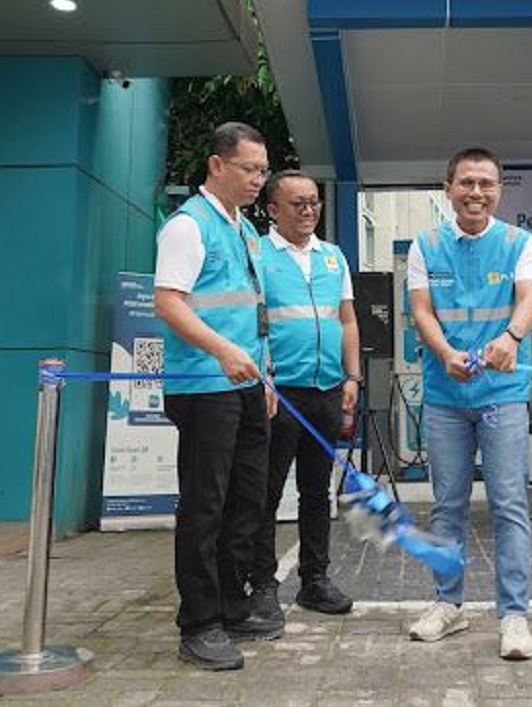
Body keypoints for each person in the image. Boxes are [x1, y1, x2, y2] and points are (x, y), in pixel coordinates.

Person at [154, 121, 282, 671]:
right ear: (216, 165)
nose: (258, 180)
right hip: (204, 385)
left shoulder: (246, 230)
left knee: (246, 500)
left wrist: (265, 373)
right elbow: (168, 303)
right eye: (249, 169)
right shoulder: (188, 226)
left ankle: (232, 605)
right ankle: (199, 624)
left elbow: (254, 310)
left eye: (263, 170)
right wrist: (224, 351)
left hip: (247, 385)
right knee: (205, 504)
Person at [405, 147, 532, 661]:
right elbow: (421, 311)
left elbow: (528, 299)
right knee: (448, 506)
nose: (476, 192)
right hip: (445, 395)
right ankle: (448, 604)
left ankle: (514, 615)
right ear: (448, 189)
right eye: (466, 183)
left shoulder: (517, 242)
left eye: (486, 183)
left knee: (509, 503)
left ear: (498, 190)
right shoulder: (425, 245)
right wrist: (445, 354)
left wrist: (510, 337)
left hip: (501, 394)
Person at [248, 170, 361, 625]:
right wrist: (264, 376)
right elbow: (252, 322)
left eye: (314, 201)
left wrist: (352, 377)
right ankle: (262, 584)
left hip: (327, 390)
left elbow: (347, 320)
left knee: (317, 492)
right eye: (298, 203)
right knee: (266, 492)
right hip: (279, 393)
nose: (309, 210)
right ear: (273, 210)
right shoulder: (257, 254)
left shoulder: (333, 257)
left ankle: (315, 580)